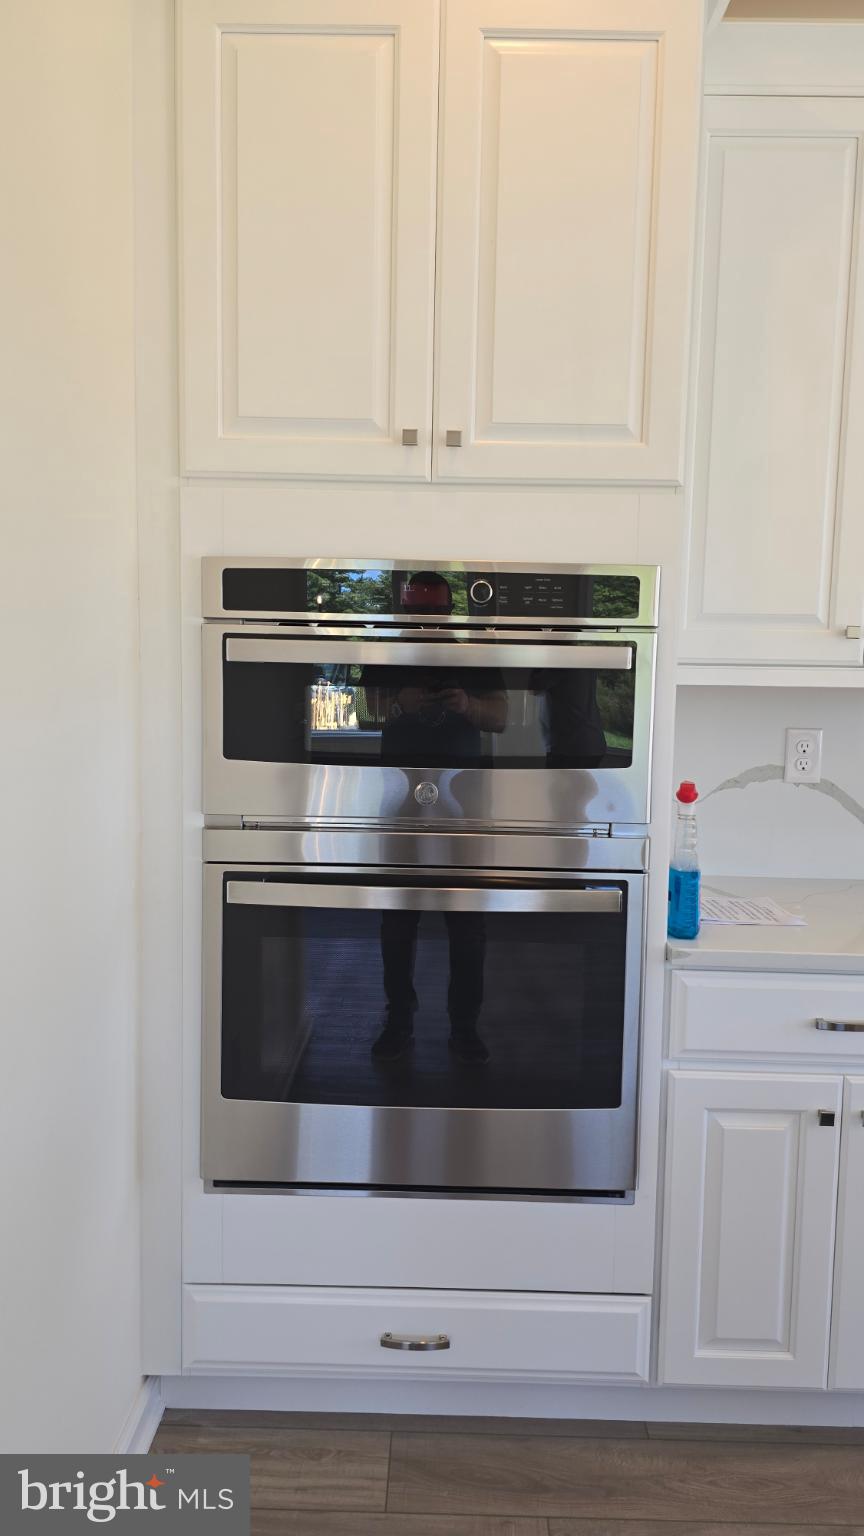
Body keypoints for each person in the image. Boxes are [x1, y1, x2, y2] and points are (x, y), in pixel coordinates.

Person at [364, 572, 508, 1064]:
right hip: (397, 799)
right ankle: (399, 1019)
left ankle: (464, 1027)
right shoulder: (386, 652)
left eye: (436, 610)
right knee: (397, 919)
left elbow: (503, 718)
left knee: (467, 921)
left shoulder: (474, 654)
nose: (428, 619)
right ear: (405, 610)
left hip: (466, 802)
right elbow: (366, 710)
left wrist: (466, 704)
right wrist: (399, 702)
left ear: (451, 610)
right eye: (418, 610)